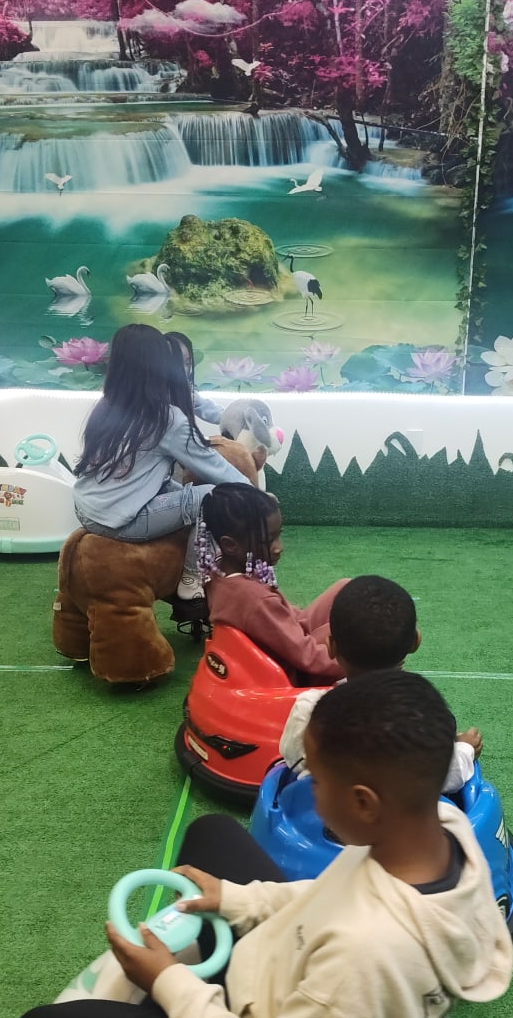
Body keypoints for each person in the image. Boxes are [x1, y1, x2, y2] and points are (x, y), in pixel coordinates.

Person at [6, 671, 513, 1018]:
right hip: (288, 982)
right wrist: (234, 899)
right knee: (212, 833)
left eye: (318, 781)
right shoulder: (438, 829)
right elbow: (331, 894)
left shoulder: (365, 955)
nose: (311, 793)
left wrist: (168, 984)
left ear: (364, 803)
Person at [72, 323, 252, 607]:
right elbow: (214, 467)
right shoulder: (166, 418)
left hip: (86, 508)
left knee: (178, 489)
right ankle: (191, 579)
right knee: (212, 497)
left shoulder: (106, 406)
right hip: (119, 520)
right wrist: (253, 494)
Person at [279, 574, 483, 791]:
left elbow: (291, 757)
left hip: (318, 809)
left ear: (330, 647)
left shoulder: (307, 709)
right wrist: (465, 749)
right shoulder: (421, 717)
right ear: (415, 641)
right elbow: (443, 775)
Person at [197, 482, 346, 685]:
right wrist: (359, 661)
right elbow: (307, 656)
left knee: (347, 590)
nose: (278, 548)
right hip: (295, 670)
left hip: (286, 638)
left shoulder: (218, 569)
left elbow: (279, 619)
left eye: (278, 535)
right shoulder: (255, 600)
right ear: (230, 545)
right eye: (267, 541)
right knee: (357, 625)